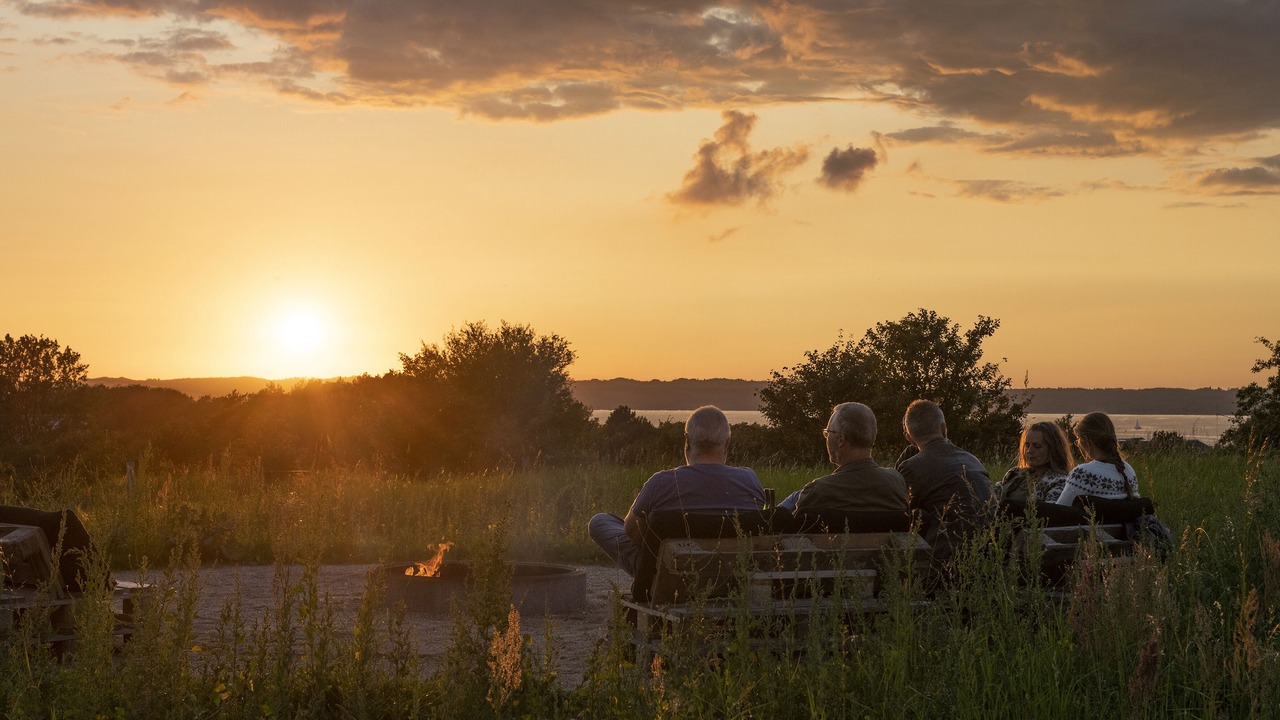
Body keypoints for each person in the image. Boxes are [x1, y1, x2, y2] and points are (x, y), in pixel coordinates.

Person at [588, 405, 766, 577]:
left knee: (600, 522)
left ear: (687, 441)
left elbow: (632, 534)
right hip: (731, 575)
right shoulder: (750, 480)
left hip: (664, 576)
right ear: (726, 444)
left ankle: (648, 576)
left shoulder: (662, 482)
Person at [896, 399, 993, 569]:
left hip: (944, 564)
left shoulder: (912, 467)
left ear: (909, 438)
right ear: (943, 428)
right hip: (989, 559)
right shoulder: (973, 460)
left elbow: (896, 512)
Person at [779, 402, 908, 515]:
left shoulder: (817, 492)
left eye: (828, 433)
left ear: (841, 439)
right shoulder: (896, 483)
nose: (827, 438)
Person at [1055, 412, 1139, 506]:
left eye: (1078, 439)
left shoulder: (1083, 474)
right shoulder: (1129, 471)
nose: (1078, 445)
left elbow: (1059, 511)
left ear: (1086, 440)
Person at [994, 421, 1075, 505]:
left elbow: (1050, 514)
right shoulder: (1014, 473)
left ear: (1052, 449)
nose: (1029, 451)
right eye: (1027, 445)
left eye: (1037, 446)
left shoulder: (1058, 481)